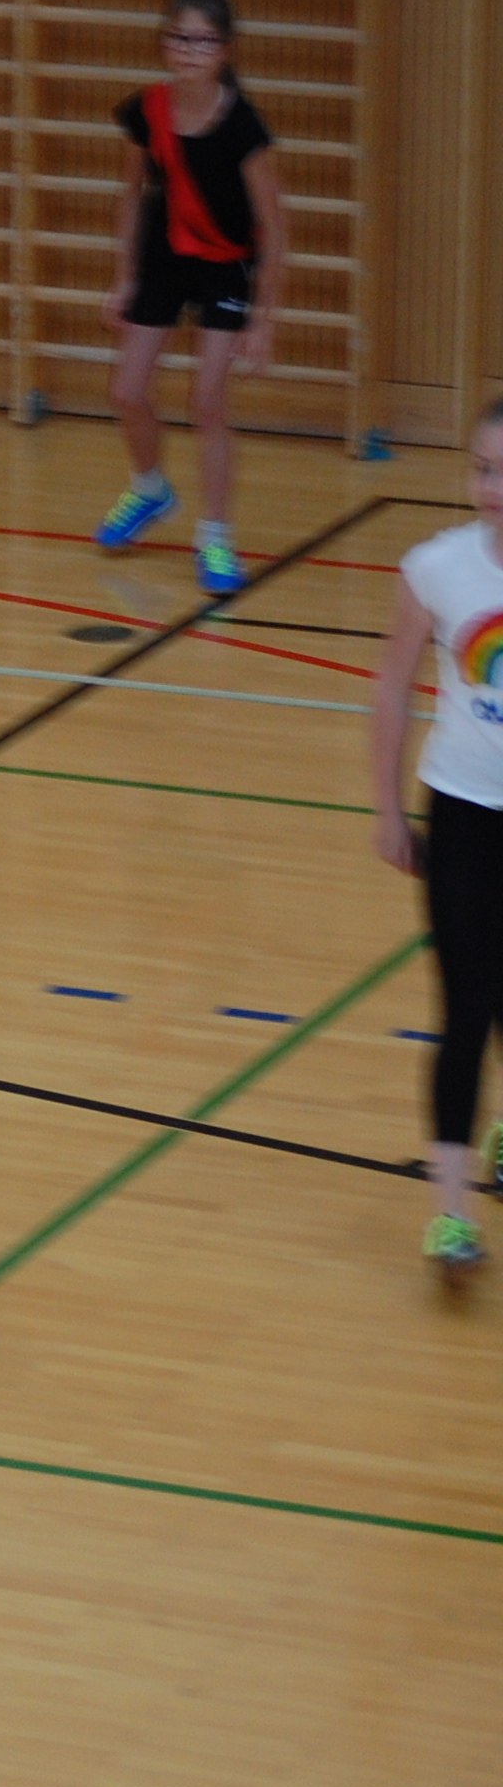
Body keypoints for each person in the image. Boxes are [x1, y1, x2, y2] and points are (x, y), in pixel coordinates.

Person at [92, 0, 285, 597]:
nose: (189, 50)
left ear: (225, 50)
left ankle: (216, 536)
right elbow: (130, 197)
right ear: (164, 42)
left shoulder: (243, 126)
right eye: (179, 37)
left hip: (225, 267)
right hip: (163, 258)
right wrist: (124, 276)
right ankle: (150, 489)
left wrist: (264, 319)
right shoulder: (147, 111)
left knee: (207, 401)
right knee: (126, 390)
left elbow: (275, 227)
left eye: (203, 41)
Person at [370, 396, 503, 1281]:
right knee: (465, 1010)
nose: (492, 489)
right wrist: (387, 810)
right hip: (461, 814)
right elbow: (389, 688)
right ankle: (451, 1214)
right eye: (482, 469)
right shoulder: (437, 568)